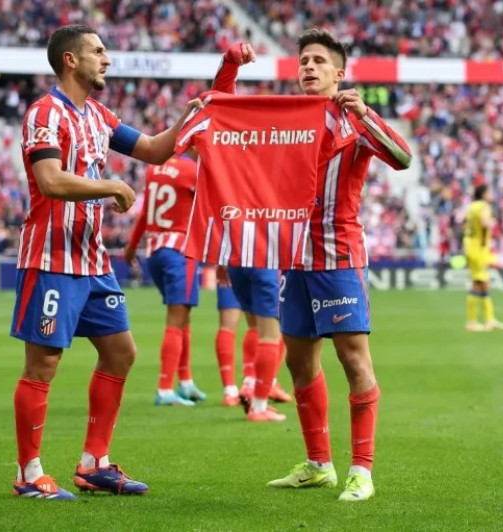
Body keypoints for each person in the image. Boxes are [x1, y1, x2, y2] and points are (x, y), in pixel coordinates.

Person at [213, 32, 412, 501]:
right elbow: (221, 116)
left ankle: (361, 470)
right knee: (301, 363)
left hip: (339, 257)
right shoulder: (286, 119)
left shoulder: (353, 121)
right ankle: (319, 463)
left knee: (353, 359)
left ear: (338, 73)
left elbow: (402, 157)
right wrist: (229, 66)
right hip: (293, 260)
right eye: (304, 60)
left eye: (320, 61)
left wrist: (366, 114)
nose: (309, 67)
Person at [10, 24, 203, 501]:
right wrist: (112, 186)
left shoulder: (97, 114)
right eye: (98, 51)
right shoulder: (44, 113)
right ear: (71, 60)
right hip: (52, 256)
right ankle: (29, 473)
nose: (107, 59)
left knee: (121, 352)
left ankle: (94, 463)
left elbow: (156, 150)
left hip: (93, 260)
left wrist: (188, 119)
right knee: (43, 364)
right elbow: (51, 180)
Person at [125, 154, 207, 407]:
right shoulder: (192, 170)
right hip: (181, 250)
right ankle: (164, 388)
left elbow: (145, 211)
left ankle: (186, 381)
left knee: (182, 317)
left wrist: (131, 246)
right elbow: (206, 210)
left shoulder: (155, 167)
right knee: (176, 317)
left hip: (155, 250)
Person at [214, 267, 292, 408]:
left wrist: (221, 262)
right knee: (275, 327)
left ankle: (233, 390)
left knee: (245, 326)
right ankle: (259, 394)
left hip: (234, 262)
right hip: (266, 264)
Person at [463, 184, 503, 332]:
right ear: (483, 194)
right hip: (478, 248)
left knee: (483, 283)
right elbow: (483, 222)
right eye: (489, 192)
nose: (491, 194)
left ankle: (489, 319)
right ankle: (472, 322)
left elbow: (466, 223)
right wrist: (490, 225)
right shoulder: (483, 207)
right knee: (478, 282)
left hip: (471, 246)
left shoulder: (472, 206)